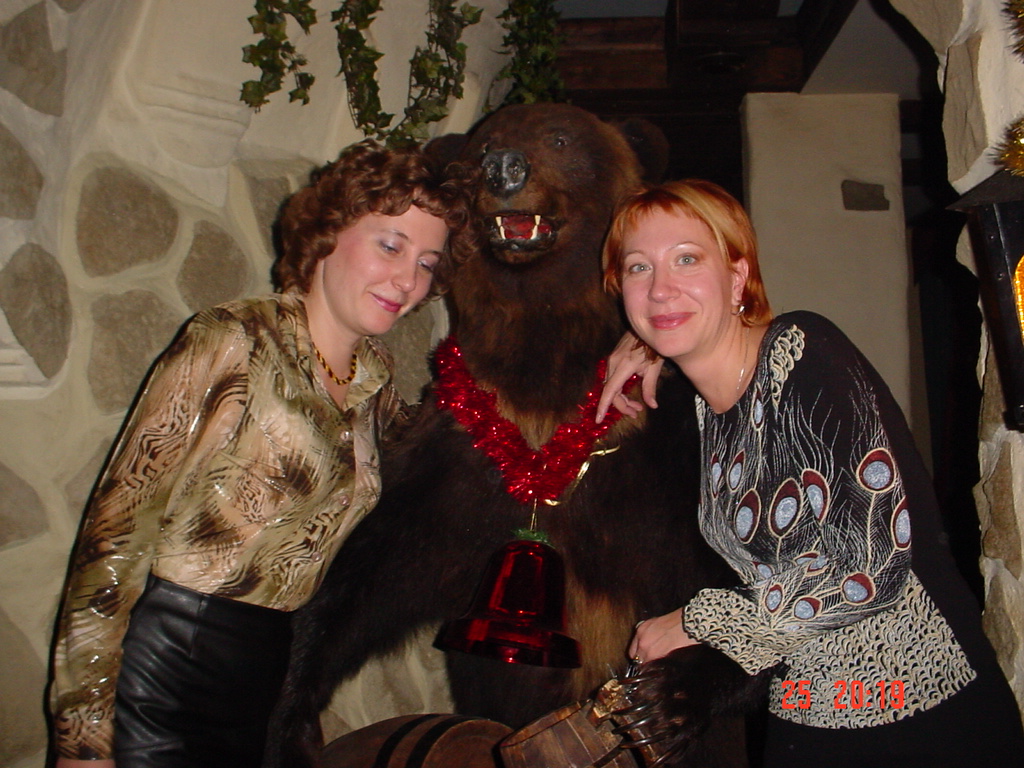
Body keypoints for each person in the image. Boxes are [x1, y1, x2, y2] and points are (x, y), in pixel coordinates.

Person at [49, 140, 476, 768]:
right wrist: (83, 732)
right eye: (391, 245)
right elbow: (115, 533)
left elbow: (448, 450)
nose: (408, 280)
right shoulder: (235, 340)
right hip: (168, 663)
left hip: (265, 672)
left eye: (427, 263)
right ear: (328, 232)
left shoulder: (373, 381)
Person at [596, 179, 1024, 766]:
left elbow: (868, 562)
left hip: (919, 709)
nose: (660, 286)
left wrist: (700, 622)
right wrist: (648, 339)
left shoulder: (800, 350)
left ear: (738, 276)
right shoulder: (706, 413)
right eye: (639, 267)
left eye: (687, 258)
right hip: (805, 706)